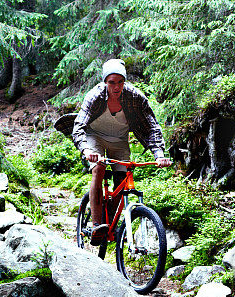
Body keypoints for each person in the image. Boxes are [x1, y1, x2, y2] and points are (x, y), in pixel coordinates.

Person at [72, 58, 171, 245]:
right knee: (99, 169)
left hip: (119, 140)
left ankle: (108, 224)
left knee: (122, 181)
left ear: (124, 82)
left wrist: (159, 154)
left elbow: (152, 126)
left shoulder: (135, 97)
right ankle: (95, 225)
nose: (116, 87)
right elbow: (79, 125)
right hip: (95, 137)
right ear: (105, 82)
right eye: (112, 82)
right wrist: (85, 149)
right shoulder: (95, 96)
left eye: (120, 82)